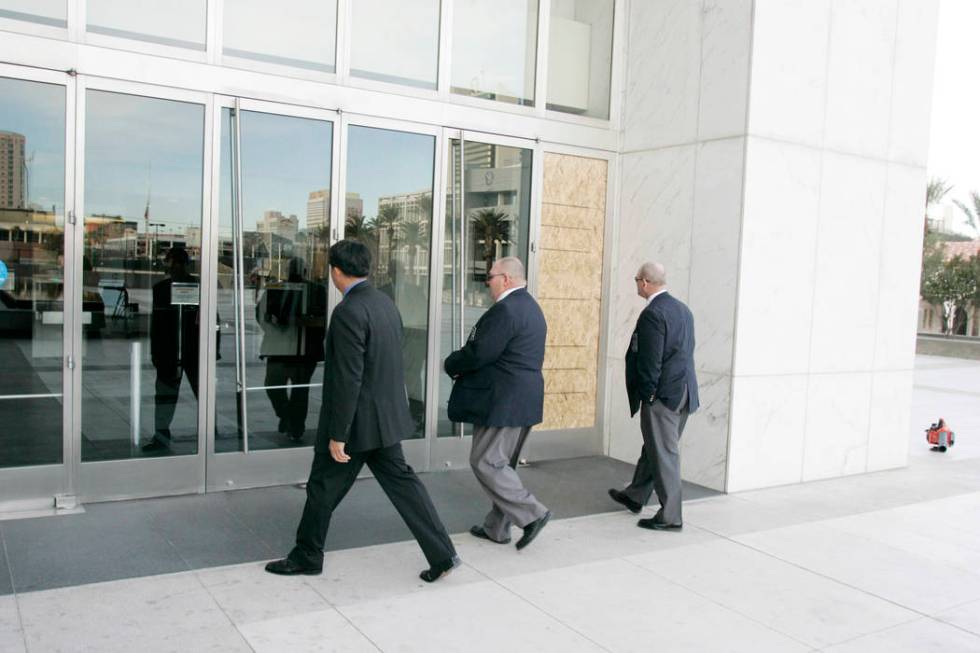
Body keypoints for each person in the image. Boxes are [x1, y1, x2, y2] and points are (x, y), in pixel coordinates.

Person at [265, 240, 459, 582]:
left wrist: (338, 434)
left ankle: (308, 555)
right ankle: (443, 553)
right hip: (383, 421)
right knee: (405, 487)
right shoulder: (385, 303)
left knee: (322, 486)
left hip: (355, 424)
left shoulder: (348, 311)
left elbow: (347, 377)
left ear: (336, 272)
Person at [445, 256, 551, 550]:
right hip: (524, 399)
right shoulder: (530, 307)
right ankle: (497, 527)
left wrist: (451, 363)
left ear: (506, 279)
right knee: (504, 465)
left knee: (486, 461)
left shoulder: (505, 310)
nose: (487, 281)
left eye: (490, 276)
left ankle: (533, 514)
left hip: (503, 400)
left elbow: (479, 352)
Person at [608, 262, 699, 530]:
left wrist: (648, 395)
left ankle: (671, 516)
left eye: (636, 280)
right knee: (655, 447)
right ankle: (636, 494)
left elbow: (650, 361)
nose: (636, 284)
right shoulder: (684, 310)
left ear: (645, 283)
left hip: (663, 395)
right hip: (684, 392)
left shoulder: (653, 314)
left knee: (664, 453)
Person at [256, 256, 327, 442]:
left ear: (305, 271)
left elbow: (325, 318)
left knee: (300, 392)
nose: (295, 272)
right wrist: (274, 330)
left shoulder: (317, 290)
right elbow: (260, 314)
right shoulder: (275, 289)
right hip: (278, 348)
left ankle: (296, 428)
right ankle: (286, 416)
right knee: (272, 385)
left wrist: (306, 324)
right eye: (292, 269)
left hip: (305, 351)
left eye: (298, 269)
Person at [144, 247, 200, 452]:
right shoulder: (161, 289)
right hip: (169, 352)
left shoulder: (199, 286)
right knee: (165, 396)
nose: (173, 267)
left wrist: (214, 347)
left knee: (202, 394)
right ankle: (161, 435)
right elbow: (156, 324)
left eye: (176, 263)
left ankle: (210, 433)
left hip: (194, 351)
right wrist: (155, 352)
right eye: (171, 263)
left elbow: (212, 318)